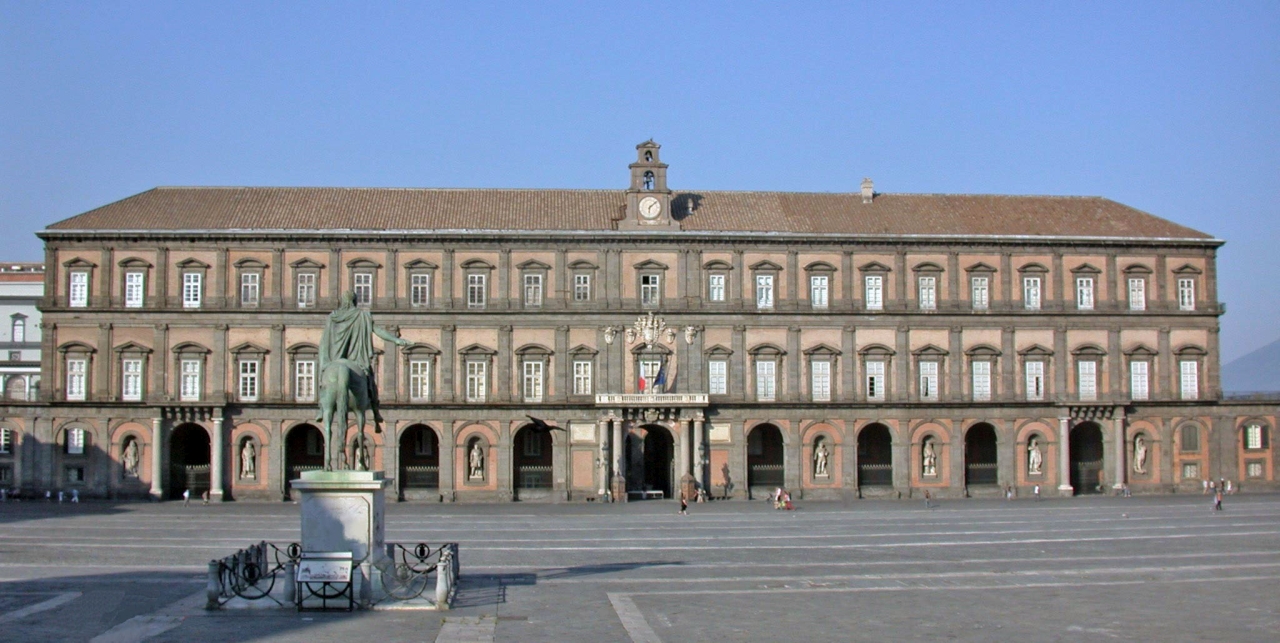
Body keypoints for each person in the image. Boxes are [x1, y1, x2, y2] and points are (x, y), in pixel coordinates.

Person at [317, 290, 410, 427]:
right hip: (356, 359)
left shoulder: (333, 317)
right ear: (355, 301)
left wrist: (325, 358)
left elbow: (325, 340)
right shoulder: (362, 315)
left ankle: (321, 408)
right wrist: (396, 340)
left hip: (334, 357)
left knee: (325, 378)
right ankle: (375, 411)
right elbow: (378, 331)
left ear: (342, 301)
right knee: (370, 380)